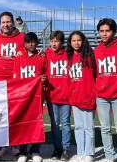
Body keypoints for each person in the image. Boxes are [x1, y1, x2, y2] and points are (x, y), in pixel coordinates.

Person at [0, 11, 24, 157]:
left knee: (15, 115)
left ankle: (16, 144)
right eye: (3, 22)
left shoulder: (22, 38)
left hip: (16, 82)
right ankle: (1, 145)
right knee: (0, 115)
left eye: (8, 22)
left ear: (13, 23)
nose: (6, 25)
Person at [94, 18, 117, 162]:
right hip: (101, 96)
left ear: (113, 32)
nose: (104, 34)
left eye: (107, 31)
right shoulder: (96, 50)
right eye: (101, 31)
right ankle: (109, 156)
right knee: (105, 128)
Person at [13, 32, 46, 162]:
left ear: (37, 43)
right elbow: (15, 77)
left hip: (37, 97)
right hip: (23, 97)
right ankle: (23, 151)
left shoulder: (41, 58)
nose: (31, 44)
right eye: (28, 42)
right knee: (23, 124)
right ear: (24, 44)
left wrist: (44, 78)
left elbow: (45, 74)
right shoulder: (19, 58)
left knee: (37, 123)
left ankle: (35, 150)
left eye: (33, 41)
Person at [67, 31, 96, 162]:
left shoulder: (90, 56)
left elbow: (95, 76)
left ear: (83, 41)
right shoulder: (68, 57)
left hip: (88, 96)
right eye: (73, 40)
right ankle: (80, 151)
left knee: (89, 127)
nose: (76, 43)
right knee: (78, 127)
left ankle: (89, 152)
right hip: (75, 97)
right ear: (70, 42)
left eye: (79, 40)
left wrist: (93, 93)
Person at [44, 30, 71, 161]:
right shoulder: (45, 54)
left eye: (57, 41)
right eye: (52, 41)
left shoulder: (68, 54)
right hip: (51, 96)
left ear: (62, 42)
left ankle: (65, 149)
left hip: (66, 96)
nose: (54, 43)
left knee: (65, 123)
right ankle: (57, 149)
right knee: (54, 124)